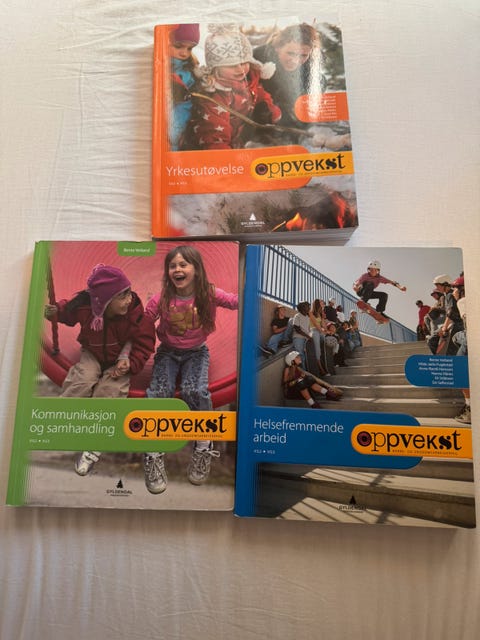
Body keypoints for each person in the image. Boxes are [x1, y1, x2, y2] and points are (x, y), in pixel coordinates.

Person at [44, 264, 155, 479]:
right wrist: (55, 312)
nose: (129, 300)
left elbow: (144, 344)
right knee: (82, 380)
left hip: (119, 361)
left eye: (129, 293)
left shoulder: (136, 316)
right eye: (122, 297)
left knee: (109, 391)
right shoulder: (86, 307)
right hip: (92, 353)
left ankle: (92, 448)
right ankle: (63, 420)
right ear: (103, 301)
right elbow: (68, 311)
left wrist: (131, 362)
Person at [144, 245, 238, 493]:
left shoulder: (209, 293)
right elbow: (143, 321)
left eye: (183, 264)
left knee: (194, 390)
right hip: (167, 352)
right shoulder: (162, 298)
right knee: (158, 392)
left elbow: (234, 302)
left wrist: (252, 296)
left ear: (196, 269)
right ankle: (153, 453)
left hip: (196, 352)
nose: (177, 269)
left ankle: (203, 446)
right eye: (172, 265)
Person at [185, 24, 281, 150]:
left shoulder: (248, 80)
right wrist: (226, 156)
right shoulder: (214, 96)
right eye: (232, 65)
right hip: (214, 147)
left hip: (236, 140)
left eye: (244, 62)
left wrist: (269, 111)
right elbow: (214, 136)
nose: (240, 69)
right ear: (215, 68)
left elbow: (260, 94)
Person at [253, 23, 320, 142]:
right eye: (291, 53)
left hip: (288, 117)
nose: (296, 60)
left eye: (303, 55)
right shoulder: (258, 57)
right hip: (259, 114)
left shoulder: (308, 62)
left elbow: (319, 82)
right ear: (278, 47)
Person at [168, 23, 200, 150]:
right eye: (178, 46)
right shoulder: (163, 67)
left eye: (189, 48)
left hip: (183, 117)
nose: (184, 53)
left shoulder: (189, 69)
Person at [451, 275, 470, 424]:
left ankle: (470, 409)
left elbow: (468, 322)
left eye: (455, 289)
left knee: (459, 372)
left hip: (471, 339)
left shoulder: (463, 301)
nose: (453, 292)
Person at [432, 274, 464, 355]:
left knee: (433, 340)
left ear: (445, 284)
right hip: (456, 324)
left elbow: (451, 313)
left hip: (456, 325)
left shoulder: (449, 295)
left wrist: (444, 328)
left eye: (438, 285)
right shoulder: (448, 295)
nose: (437, 288)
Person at [291, 301, 312, 368]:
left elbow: (308, 329)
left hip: (306, 339)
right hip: (298, 338)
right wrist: (308, 336)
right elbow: (297, 329)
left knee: (306, 355)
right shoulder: (297, 316)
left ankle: (306, 370)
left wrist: (309, 336)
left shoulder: (307, 317)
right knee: (300, 354)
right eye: (307, 306)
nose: (309, 307)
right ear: (302, 307)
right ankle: (303, 371)